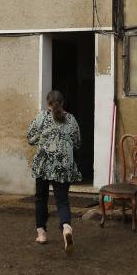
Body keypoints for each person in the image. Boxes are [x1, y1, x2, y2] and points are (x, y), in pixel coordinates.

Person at [26, 90, 81, 252]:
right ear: (62, 103)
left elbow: (30, 138)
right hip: (63, 166)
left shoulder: (41, 117)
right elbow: (77, 143)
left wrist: (44, 139)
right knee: (62, 200)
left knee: (41, 198)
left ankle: (42, 233)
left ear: (47, 103)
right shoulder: (71, 119)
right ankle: (66, 228)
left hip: (43, 164)